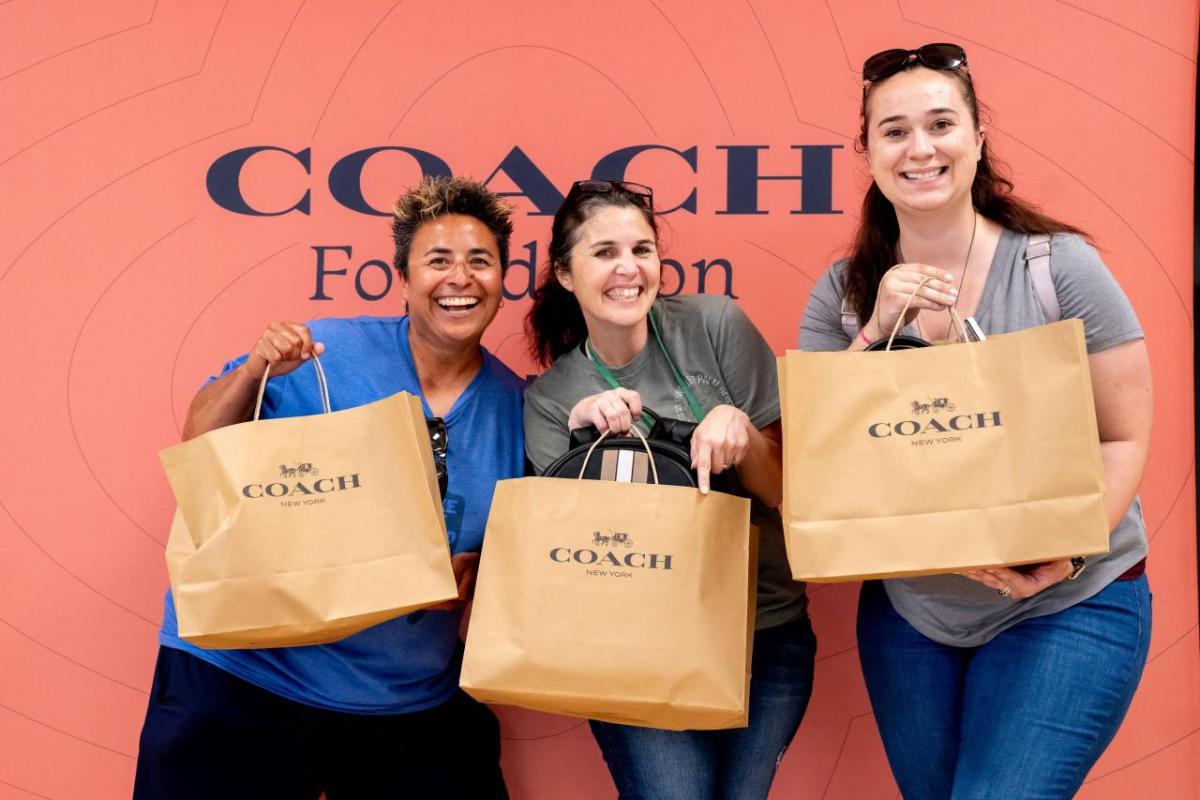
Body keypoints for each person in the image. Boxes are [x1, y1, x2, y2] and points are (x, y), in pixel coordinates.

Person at [798, 43, 1153, 799]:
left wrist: (1070, 555)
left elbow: (1121, 436)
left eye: (940, 124)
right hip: (914, 614)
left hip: (1070, 599)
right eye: (894, 131)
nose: (919, 148)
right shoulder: (843, 295)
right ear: (868, 152)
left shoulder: (1057, 269)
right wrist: (875, 330)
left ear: (977, 139)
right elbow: (822, 463)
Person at [134, 176, 523, 799]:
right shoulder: (320, 352)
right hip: (250, 677)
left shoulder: (517, 406)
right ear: (403, 279)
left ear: (505, 280)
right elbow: (198, 441)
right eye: (438, 260)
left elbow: (524, 556)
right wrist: (257, 367)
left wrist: (485, 571)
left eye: (481, 261)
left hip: (405, 702)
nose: (460, 277)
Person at [524, 179, 813, 799]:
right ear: (566, 275)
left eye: (643, 249)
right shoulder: (551, 400)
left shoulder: (715, 325)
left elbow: (785, 487)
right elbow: (576, 560)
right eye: (603, 253)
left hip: (762, 630)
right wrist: (583, 447)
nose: (628, 268)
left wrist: (743, 433)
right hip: (631, 648)